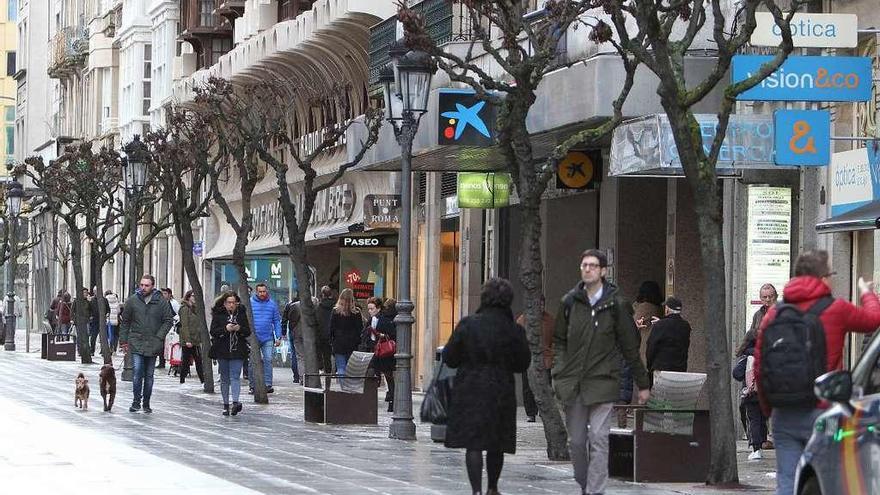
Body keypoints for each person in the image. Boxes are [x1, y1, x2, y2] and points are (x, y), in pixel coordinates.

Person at [755, 249, 880, 495]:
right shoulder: (836, 309)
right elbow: (874, 320)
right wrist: (868, 293)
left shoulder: (774, 314)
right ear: (822, 277)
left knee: (788, 482)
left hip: (784, 412)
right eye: (831, 273)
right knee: (826, 482)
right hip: (825, 412)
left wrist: (770, 408)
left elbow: (760, 367)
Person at [553, 249, 650, 495]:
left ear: (603, 271)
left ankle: (595, 491)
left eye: (593, 265)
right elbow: (560, 341)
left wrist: (643, 382)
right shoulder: (569, 302)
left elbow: (631, 345)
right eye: (584, 265)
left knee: (598, 438)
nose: (588, 269)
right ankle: (584, 480)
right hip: (574, 383)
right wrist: (559, 373)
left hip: (604, 381)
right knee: (576, 442)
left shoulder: (617, 304)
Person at [443, 278, 530, 495]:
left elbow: (449, 357)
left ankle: (476, 491)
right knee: (496, 441)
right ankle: (493, 487)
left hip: (470, 389)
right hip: (501, 390)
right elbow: (523, 363)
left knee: (473, 443)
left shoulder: (468, 324)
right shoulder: (514, 330)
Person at [119, 275, 175, 414]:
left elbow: (168, 320)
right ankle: (136, 401)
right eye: (142, 285)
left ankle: (146, 403)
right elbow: (125, 321)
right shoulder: (132, 300)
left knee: (149, 375)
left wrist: (159, 336)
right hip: (136, 341)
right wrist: (124, 341)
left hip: (153, 342)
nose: (143, 288)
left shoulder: (160, 301)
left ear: (152, 286)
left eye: (147, 285)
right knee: (137, 371)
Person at [618, 280, 664, 427]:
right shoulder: (657, 309)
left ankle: (631, 412)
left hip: (638, 349)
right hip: (649, 350)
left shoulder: (639, 308)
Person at [740, 283, 777, 445]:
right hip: (760, 363)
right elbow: (751, 336)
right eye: (764, 297)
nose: (767, 300)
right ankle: (761, 439)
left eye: (770, 297)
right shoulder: (758, 315)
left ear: (775, 296)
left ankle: (772, 437)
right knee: (756, 402)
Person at [514, 295, 556, 422]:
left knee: (545, 386)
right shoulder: (523, 320)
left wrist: (552, 353)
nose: (541, 307)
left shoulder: (550, 320)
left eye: (542, 305)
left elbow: (556, 339)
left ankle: (544, 411)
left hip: (545, 358)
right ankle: (531, 413)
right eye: (538, 305)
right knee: (528, 387)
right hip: (528, 357)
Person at [210, 291, 251, 416]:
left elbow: (247, 331)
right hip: (222, 349)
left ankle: (235, 402)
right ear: (224, 303)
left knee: (235, 376)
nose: (232, 305)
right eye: (229, 303)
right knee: (224, 378)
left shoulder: (241, 313)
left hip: (237, 349)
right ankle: (225, 404)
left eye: (234, 302)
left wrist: (239, 329)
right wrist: (225, 329)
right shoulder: (219, 314)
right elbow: (213, 331)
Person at [733, 329, 766, 460]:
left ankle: (756, 448)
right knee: (762, 419)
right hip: (764, 393)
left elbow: (736, 373)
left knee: (753, 419)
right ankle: (762, 443)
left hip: (751, 394)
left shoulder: (747, 357)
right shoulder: (765, 355)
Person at [360, 297, 397, 412]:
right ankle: (369, 399)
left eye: (372, 309)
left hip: (384, 353)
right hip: (374, 351)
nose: (370, 311)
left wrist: (381, 335)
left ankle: (392, 401)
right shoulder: (370, 320)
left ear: (378, 308)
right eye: (369, 309)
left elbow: (392, 334)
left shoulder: (384, 320)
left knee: (388, 376)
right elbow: (365, 334)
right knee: (371, 373)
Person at [645, 296, 691, 385]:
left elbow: (651, 347)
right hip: (679, 369)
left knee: (660, 397)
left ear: (667, 310)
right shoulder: (686, 326)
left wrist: (650, 366)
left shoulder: (660, 325)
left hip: (661, 368)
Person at [249, 283, 281, 394]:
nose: (262, 293)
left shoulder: (272, 304)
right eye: (260, 291)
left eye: (264, 291)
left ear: (267, 291)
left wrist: (278, 336)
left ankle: (268, 385)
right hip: (254, 337)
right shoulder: (250, 303)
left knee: (268, 360)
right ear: (256, 292)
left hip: (268, 337)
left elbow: (276, 321)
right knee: (253, 361)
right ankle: (253, 385)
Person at [329, 288, 363, 376]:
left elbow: (331, 328)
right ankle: (348, 386)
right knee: (350, 367)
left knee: (341, 367)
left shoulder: (335, 311)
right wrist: (357, 340)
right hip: (352, 343)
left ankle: (343, 386)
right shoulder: (356, 312)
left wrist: (332, 341)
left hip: (338, 342)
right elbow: (360, 329)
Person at [178, 290, 205, 384]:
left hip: (196, 339)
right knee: (185, 362)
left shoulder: (195, 308)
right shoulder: (184, 309)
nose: (194, 297)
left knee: (198, 361)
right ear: (188, 297)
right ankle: (182, 380)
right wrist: (187, 340)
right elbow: (184, 325)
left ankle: (203, 380)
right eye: (193, 296)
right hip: (188, 340)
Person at [157, 288, 181, 369]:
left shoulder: (174, 303)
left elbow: (179, 314)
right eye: (163, 293)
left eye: (165, 293)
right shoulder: (162, 303)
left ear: (170, 294)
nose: (164, 295)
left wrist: (173, 320)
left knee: (171, 345)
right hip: (163, 326)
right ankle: (161, 362)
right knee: (161, 344)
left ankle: (174, 363)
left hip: (172, 328)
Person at [281, 295, 303, 383]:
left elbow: (284, 319)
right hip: (303, 332)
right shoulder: (307, 304)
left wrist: (283, 332)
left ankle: (296, 376)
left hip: (293, 331)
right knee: (302, 355)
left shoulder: (290, 305)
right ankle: (303, 375)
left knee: (296, 354)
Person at [315, 286, 335, 373]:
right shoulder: (335, 307)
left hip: (320, 333)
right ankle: (329, 370)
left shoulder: (319, 307)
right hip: (331, 334)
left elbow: (316, 321)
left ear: (322, 295)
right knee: (328, 354)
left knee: (320, 352)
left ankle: (321, 368)